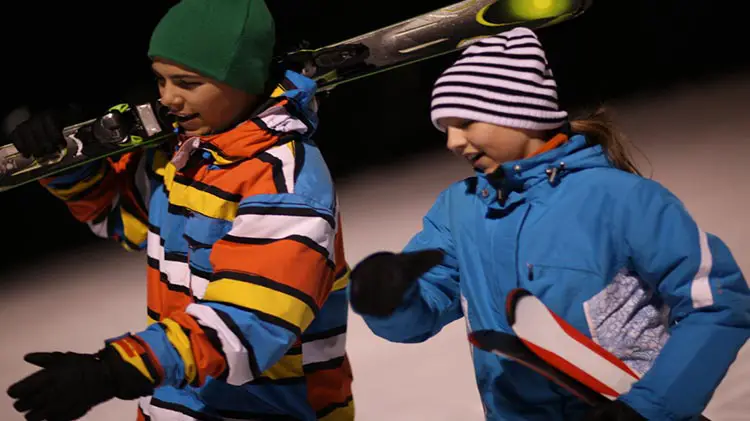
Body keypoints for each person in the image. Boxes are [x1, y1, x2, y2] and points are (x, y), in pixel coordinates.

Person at [347, 26, 750, 421]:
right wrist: (390, 301)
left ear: (518, 111)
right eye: (446, 129)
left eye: (465, 123)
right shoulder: (460, 208)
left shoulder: (620, 199)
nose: (452, 142)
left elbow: (716, 305)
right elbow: (424, 309)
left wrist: (648, 407)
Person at [6, 1, 355, 420]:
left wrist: (119, 369)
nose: (168, 98)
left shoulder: (285, 179)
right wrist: (67, 160)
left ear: (242, 80)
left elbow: (252, 320)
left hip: (271, 408)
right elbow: (121, 217)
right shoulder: (186, 157)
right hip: (177, 401)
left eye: (187, 83)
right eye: (161, 80)